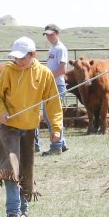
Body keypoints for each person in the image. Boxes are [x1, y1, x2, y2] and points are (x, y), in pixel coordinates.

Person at [0, 36, 63, 217]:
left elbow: (53, 103)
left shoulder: (44, 74)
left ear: (33, 54)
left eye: (23, 57)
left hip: (29, 129)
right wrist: (1, 112)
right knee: (10, 169)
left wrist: (56, 128)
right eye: (16, 57)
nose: (19, 61)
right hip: (9, 128)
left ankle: (24, 211)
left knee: (25, 171)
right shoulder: (8, 72)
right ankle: (12, 213)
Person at [40, 24, 69, 155]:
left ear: (57, 33)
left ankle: (56, 146)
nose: (49, 37)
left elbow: (63, 70)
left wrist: (47, 77)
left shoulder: (60, 49)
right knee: (50, 115)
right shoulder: (53, 49)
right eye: (47, 35)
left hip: (56, 85)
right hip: (53, 84)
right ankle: (61, 143)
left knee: (52, 115)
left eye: (51, 34)